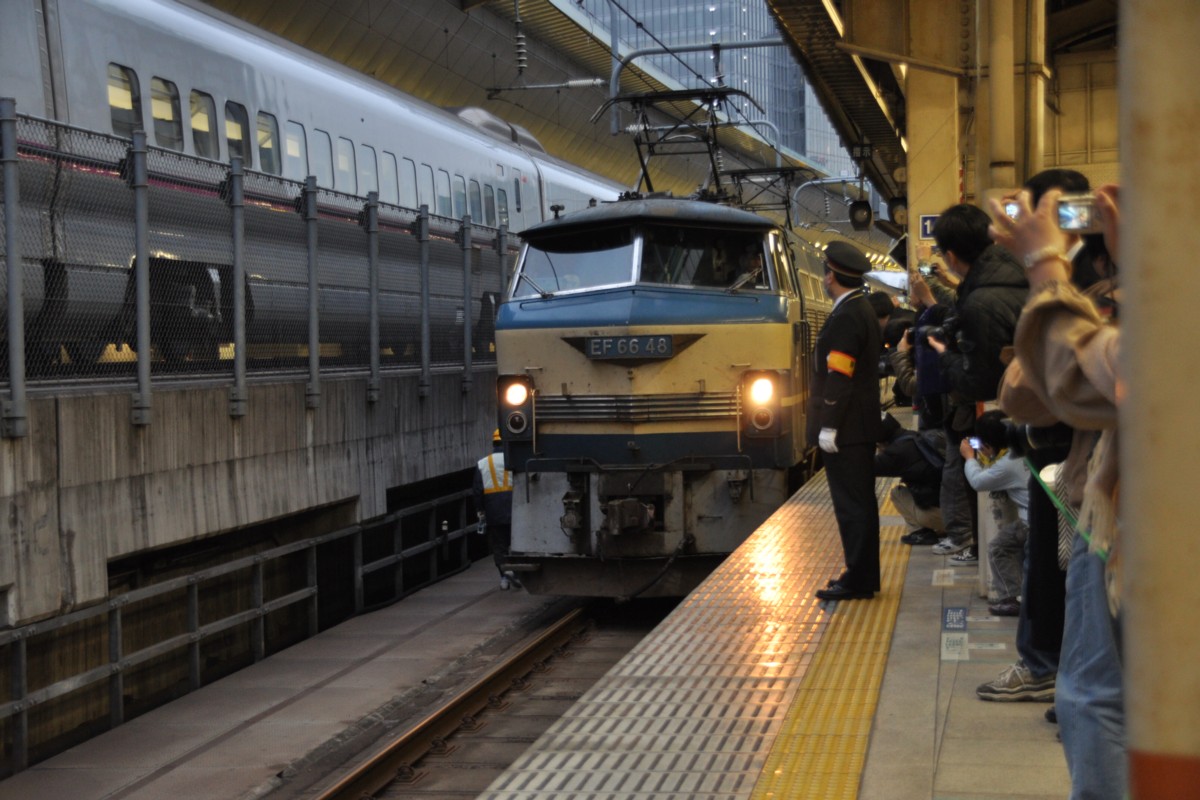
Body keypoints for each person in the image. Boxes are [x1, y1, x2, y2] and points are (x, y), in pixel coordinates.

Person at [990, 184, 1123, 799]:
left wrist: (1047, 268)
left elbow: (1049, 386)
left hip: (1130, 529)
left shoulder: (1148, 309)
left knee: (1097, 696)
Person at [925, 204, 1029, 559]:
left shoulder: (980, 302)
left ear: (951, 257)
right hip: (1038, 421)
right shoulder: (1021, 276)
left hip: (1008, 418)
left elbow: (977, 382)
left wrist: (945, 354)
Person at [807, 241, 882, 601]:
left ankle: (858, 579)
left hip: (848, 429)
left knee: (852, 506)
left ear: (830, 277)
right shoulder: (860, 308)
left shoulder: (848, 315)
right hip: (857, 426)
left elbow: (840, 374)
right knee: (859, 503)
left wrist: (829, 423)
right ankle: (862, 575)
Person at [960, 411, 1032, 618]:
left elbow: (977, 482)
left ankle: (1011, 598)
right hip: (1046, 517)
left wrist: (970, 458)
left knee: (999, 547)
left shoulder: (1008, 463)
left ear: (988, 445)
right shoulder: (1026, 447)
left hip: (1030, 522)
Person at [874, 419, 946, 545]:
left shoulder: (895, 453)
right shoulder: (912, 436)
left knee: (897, 493)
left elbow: (867, 467)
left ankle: (920, 533)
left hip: (947, 518)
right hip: (959, 511)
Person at [473, 429, 519, 590]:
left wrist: (481, 511)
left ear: (493, 444)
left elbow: (477, 491)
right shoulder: (515, 459)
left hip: (493, 510)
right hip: (515, 507)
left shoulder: (482, 464)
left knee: (499, 545)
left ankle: (504, 577)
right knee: (516, 542)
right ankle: (517, 572)